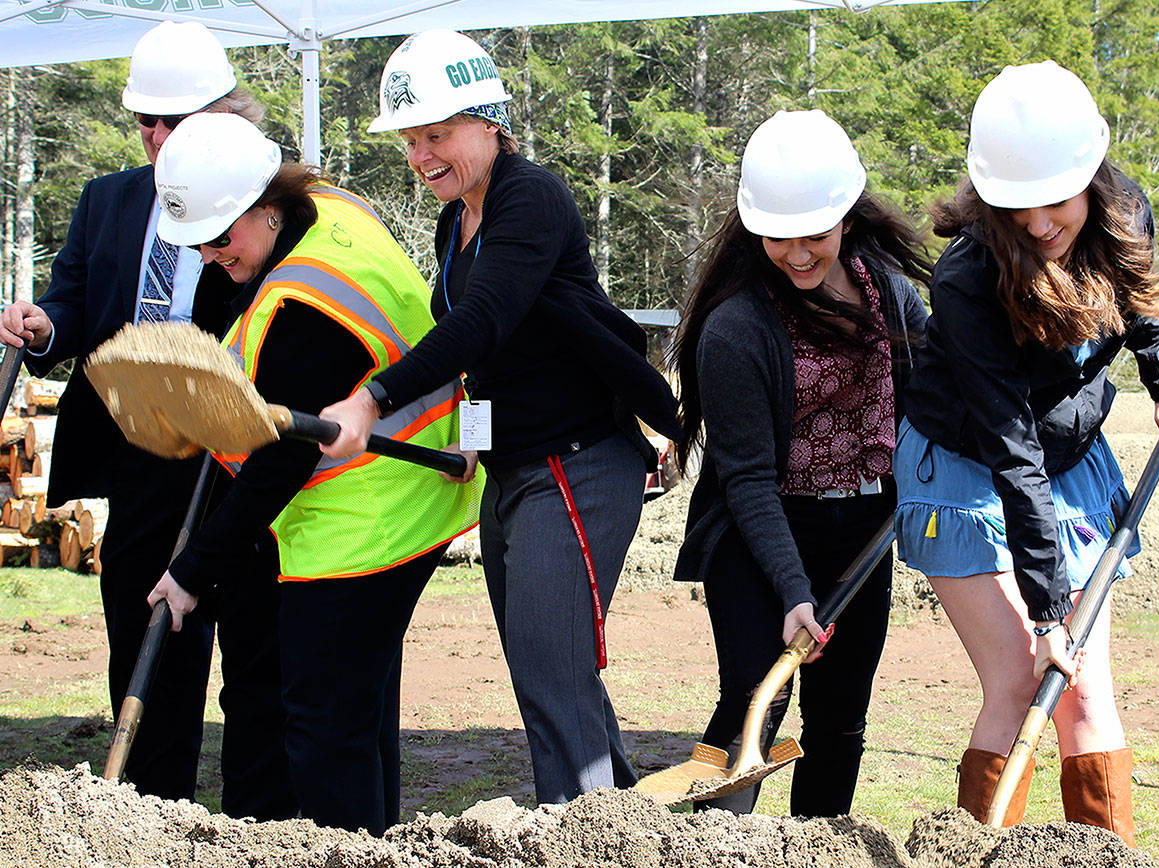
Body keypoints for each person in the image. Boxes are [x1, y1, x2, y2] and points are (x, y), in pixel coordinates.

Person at [318, 29, 681, 806]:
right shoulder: (457, 220)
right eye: (411, 139)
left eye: (437, 134)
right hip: (516, 470)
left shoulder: (530, 197)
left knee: (554, 666)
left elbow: (480, 321)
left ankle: (580, 833)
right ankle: (616, 826)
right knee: (543, 670)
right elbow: (485, 356)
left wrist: (370, 397)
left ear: (488, 119)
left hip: (577, 466)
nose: (421, 155)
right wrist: (467, 438)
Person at [143, 112, 482, 836]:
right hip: (405, 495)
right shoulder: (330, 209)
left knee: (326, 726)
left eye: (221, 237)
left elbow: (280, 462)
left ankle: (345, 849)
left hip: (367, 517)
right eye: (198, 241)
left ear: (266, 208)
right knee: (352, 714)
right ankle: (366, 842)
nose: (209, 254)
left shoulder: (304, 306)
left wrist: (194, 568)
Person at [895, 61, 1159, 844]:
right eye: (1016, 205)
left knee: (1087, 694)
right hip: (968, 467)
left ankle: (1107, 858)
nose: (1037, 223)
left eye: (1055, 201)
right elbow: (1011, 449)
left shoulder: (1123, 209)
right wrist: (1045, 612)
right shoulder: (968, 275)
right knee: (1018, 682)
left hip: (1070, 461)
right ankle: (977, 854)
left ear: (1093, 178)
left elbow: (1136, 294)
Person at [0, 21, 294, 818]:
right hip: (141, 456)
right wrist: (45, 328)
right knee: (146, 639)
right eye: (146, 123)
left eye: (176, 122)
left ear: (225, 114)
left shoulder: (264, 205)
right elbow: (73, 302)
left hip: (237, 457)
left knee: (253, 639)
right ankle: (155, 813)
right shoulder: (108, 201)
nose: (158, 138)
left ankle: (255, 820)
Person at [670, 110, 930, 817]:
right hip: (762, 531)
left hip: (864, 531)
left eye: (813, 233)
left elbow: (935, 398)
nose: (796, 252)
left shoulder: (892, 296)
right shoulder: (737, 327)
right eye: (777, 236)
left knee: (841, 716)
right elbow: (747, 479)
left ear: (847, 214)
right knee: (758, 696)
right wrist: (793, 591)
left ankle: (820, 845)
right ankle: (712, 846)